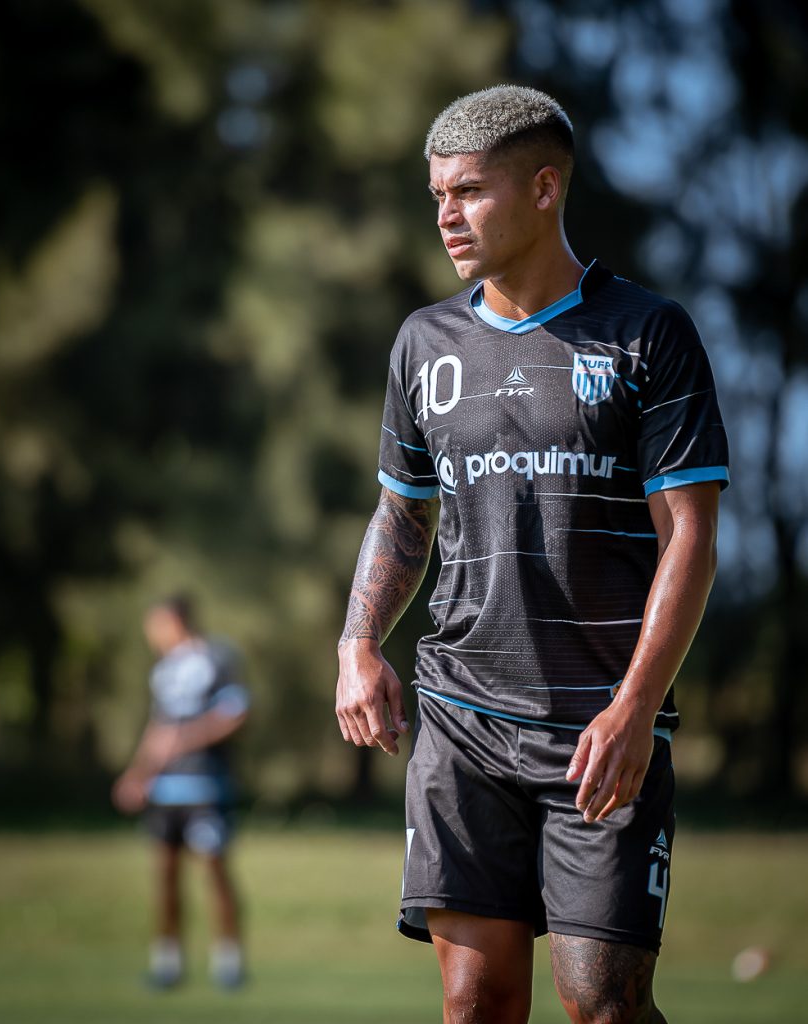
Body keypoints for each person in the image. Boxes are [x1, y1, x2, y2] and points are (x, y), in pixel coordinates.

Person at [335, 85, 729, 1024]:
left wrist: (635, 708)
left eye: (469, 191)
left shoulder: (648, 333)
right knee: (475, 1003)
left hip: (599, 727)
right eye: (437, 194)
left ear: (544, 188)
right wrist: (357, 641)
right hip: (461, 720)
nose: (446, 215)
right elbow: (402, 514)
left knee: (601, 1004)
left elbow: (691, 537)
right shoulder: (423, 343)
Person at [112, 594, 249, 989]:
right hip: (165, 792)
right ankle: (167, 964)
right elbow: (158, 729)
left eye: (156, 625)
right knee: (166, 876)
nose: (152, 634)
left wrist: (185, 738)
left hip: (206, 786)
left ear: (176, 621)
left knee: (216, 871)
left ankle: (229, 963)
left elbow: (236, 711)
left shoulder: (217, 658)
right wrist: (137, 774)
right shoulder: (163, 670)